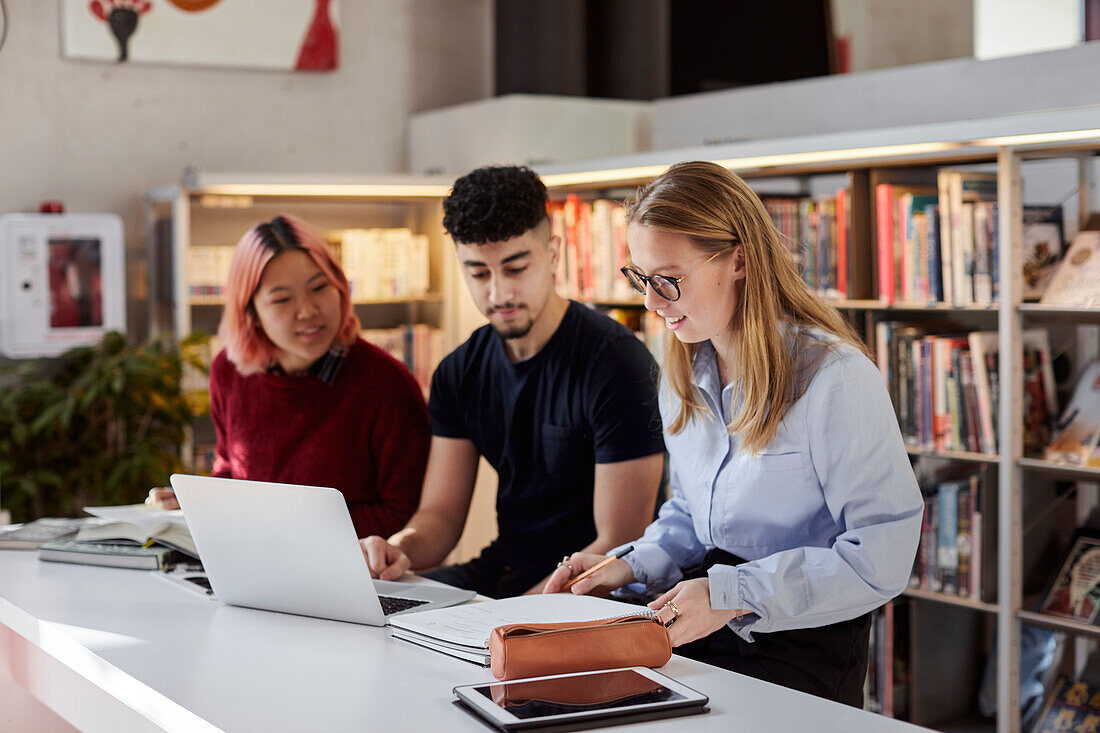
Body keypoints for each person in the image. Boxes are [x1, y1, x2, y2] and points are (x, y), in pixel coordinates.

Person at [544, 161, 923, 707]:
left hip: (802, 641)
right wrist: (624, 564)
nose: (650, 303)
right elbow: (696, 514)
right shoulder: (681, 375)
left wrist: (731, 594)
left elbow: (883, 557)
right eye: (641, 278)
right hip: (710, 615)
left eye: (668, 279)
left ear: (739, 259)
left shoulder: (834, 379)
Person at [361, 165, 666, 598]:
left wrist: (510, 618)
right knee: (369, 607)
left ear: (553, 254)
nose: (498, 294)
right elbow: (440, 518)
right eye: (479, 274)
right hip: (501, 573)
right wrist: (397, 549)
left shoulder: (617, 363)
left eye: (515, 268)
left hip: (595, 594)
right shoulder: (458, 372)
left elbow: (617, 548)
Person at [148, 214, 430, 539]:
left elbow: (404, 515)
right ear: (250, 312)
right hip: (256, 559)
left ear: (340, 287)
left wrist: (279, 526)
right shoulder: (229, 370)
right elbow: (232, 470)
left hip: (355, 574)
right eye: (282, 299)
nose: (308, 311)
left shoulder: (387, 384)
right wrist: (197, 500)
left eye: (320, 287)